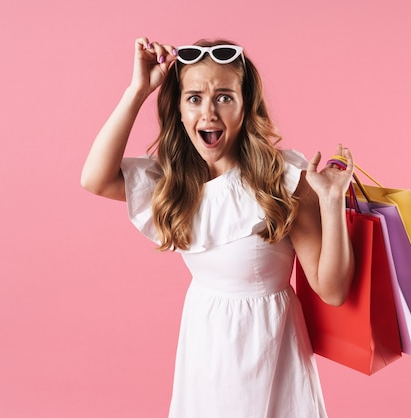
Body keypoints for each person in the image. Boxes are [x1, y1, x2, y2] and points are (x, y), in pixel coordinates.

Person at [81, 37, 355, 418]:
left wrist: (331, 202)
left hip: (269, 350)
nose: (208, 112)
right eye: (194, 98)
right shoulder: (176, 184)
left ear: (245, 107)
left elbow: (334, 290)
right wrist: (137, 90)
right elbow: (94, 179)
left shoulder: (283, 179)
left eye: (224, 97)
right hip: (204, 350)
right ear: (178, 110)